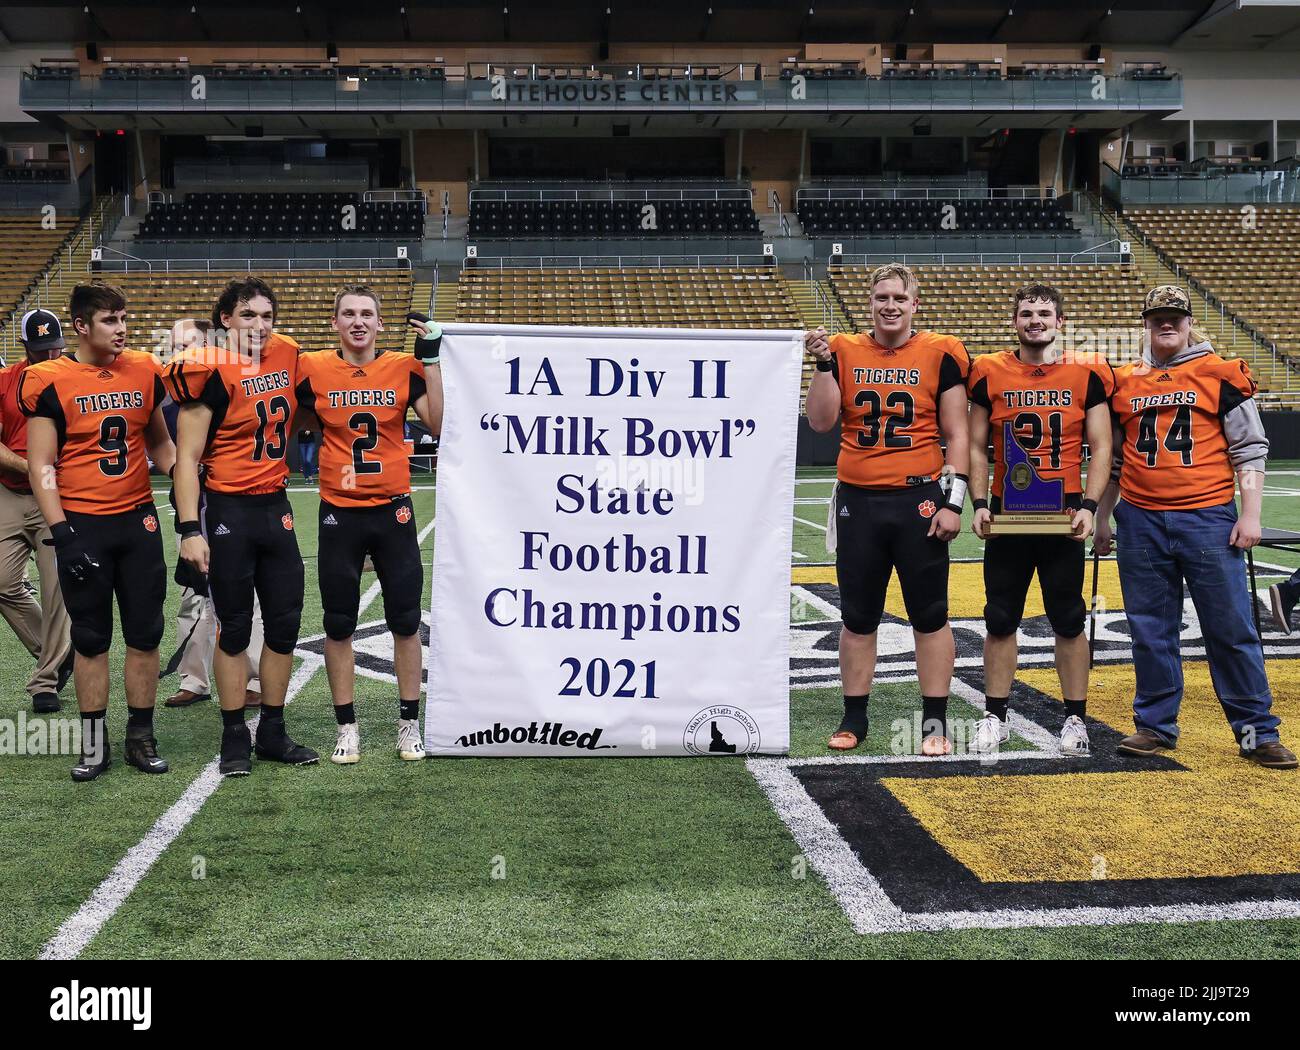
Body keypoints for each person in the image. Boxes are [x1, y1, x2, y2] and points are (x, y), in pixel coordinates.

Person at [1095, 285, 1295, 769]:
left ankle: (1255, 732)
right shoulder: (1123, 381)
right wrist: (1104, 516)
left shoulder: (1220, 373)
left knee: (1230, 628)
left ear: (1188, 322)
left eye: (1176, 317)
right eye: (1158, 316)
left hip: (1207, 516)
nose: (1167, 324)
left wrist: (1250, 514)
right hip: (1140, 518)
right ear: (1146, 321)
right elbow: (1116, 460)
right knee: (1150, 630)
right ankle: (1155, 726)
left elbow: (1249, 448)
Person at [804, 262, 970, 756]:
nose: (890, 306)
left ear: (915, 304)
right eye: (881, 298)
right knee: (858, 617)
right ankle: (855, 717)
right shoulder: (843, 349)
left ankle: (934, 721)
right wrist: (822, 364)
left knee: (930, 614)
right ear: (870, 303)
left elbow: (958, 433)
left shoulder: (942, 351)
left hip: (918, 499)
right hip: (859, 500)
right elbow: (820, 421)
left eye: (899, 298)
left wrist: (953, 501)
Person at [19, 284, 175, 780]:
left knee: (146, 633)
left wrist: (195, 478)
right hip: (82, 524)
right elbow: (41, 465)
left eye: (124, 318)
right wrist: (61, 532)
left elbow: (162, 446)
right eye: (110, 320)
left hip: (138, 521)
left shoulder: (145, 370)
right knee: (90, 638)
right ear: (82, 326)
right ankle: (93, 743)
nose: (122, 328)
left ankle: (140, 737)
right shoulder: (49, 380)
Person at [167, 277, 316, 776]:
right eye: (248, 315)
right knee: (233, 627)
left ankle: (272, 730)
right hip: (227, 509)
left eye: (267, 316)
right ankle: (234, 735)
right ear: (226, 320)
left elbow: (309, 410)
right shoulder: (206, 367)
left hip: (275, 506)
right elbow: (185, 459)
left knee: (285, 624)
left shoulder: (288, 354)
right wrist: (190, 529)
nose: (259, 325)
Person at [295, 287, 443, 764]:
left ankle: (407, 723)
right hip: (339, 509)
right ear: (335, 323)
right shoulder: (312, 367)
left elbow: (438, 424)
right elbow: (297, 420)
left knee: (404, 621)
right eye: (348, 314)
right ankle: (347, 727)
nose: (358, 321)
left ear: (381, 325)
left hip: (393, 510)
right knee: (338, 625)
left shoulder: (403, 366)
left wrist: (433, 360)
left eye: (367, 314)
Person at [967, 283, 1114, 757]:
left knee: (1069, 619)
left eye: (1045, 312)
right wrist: (978, 502)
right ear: (1014, 321)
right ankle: (995, 715)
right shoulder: (989, 371)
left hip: (1064, 514)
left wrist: (1091, 508)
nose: (1036, 319)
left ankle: (1075, 718)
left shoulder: (1086, 372)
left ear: (1060, 322)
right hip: (1008, 513)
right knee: (1000, 617)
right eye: (1027, 312)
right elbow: (973, 445)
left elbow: (1102, 447)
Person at [158, 318, 264, 709]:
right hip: (189, 506)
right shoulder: (167, 395)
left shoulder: (231, 386)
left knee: (244, 595)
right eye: (173, 346)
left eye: (188, 345)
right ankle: (194, 678)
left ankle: (252, 681)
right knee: (192, 594)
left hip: (231, 504)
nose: (179, 354)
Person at [0, 308, 74, 713]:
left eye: (55, 349)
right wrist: (33, 468)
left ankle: (45, 681)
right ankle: (60, 654)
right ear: (25, 348)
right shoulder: (5, 381)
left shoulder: (75, 379)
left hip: (58, 493)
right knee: (2, 581)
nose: (49, 357)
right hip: (11, 491)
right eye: (40, 351)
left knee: (56, 587)